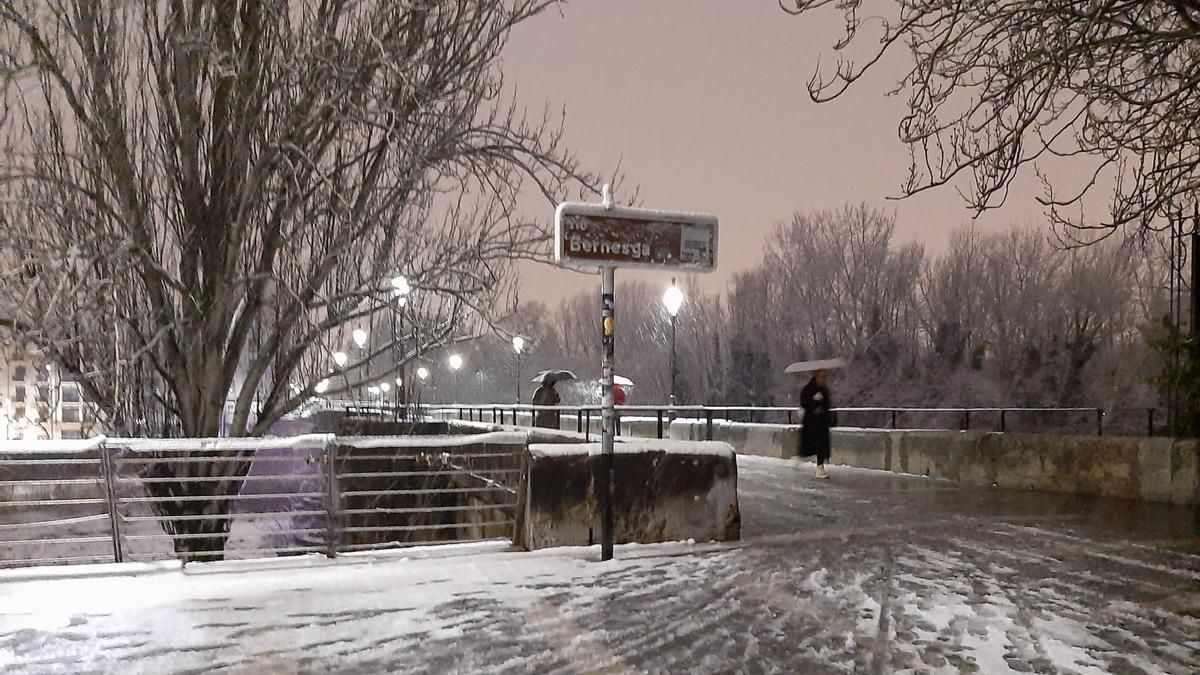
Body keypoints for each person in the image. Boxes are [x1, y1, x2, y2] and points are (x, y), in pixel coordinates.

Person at [800, 369, 834, 479]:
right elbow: (804, 403)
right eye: (822, 376)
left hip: (822, 423)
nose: (824, 379)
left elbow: (828, 405)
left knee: (822, 446)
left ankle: (820, 467)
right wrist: (814, 401)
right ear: (817, 376)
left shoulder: (824, 390)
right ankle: (800, 458)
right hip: (812, 423)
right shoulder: (808, 389)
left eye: (825, 377)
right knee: (810, 445)